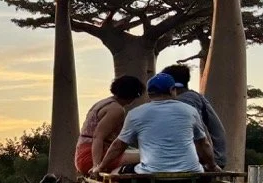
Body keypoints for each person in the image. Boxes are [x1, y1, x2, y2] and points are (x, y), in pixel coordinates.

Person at [92, 72, 220, 175]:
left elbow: (119, 145)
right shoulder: (190, 111)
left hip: (150, 174)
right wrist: (212, 166)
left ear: (149, 93)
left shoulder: (136, 113)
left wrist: (101, 167)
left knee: (115, 173)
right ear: (172, 90)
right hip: (190, 172)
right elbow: (204, 144)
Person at [159, 63, 226, 169]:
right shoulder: (192, 96)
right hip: (209, 157)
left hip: (206, 160)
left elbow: (202, 137)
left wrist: (211, 163)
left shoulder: (185, 100)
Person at [75, 75, 145, 175]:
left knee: (136, 152)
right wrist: (96, 165)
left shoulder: (103, 103)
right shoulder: (116, 109)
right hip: (91, 157)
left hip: (82, 154)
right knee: (147, 155)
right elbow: (98, 137)